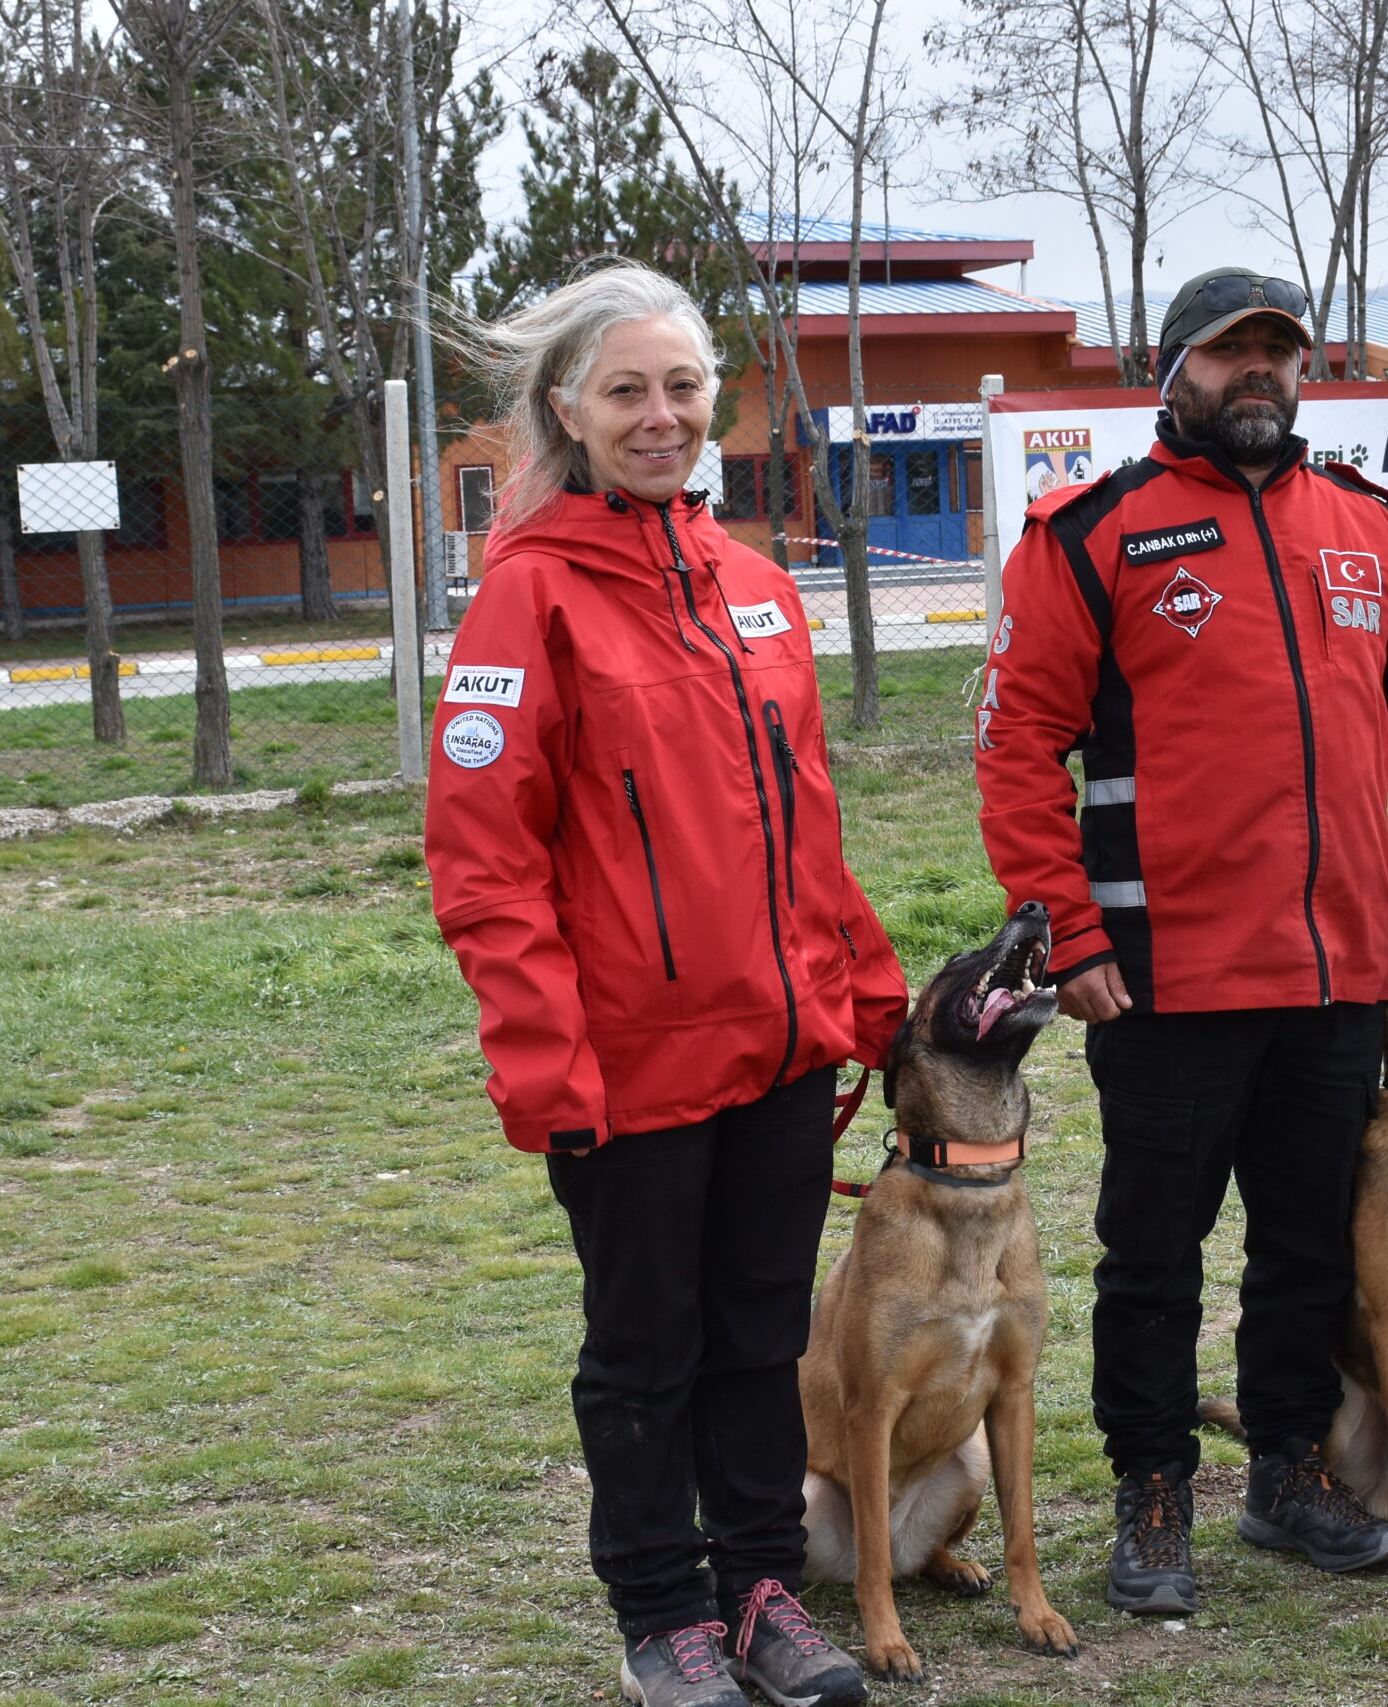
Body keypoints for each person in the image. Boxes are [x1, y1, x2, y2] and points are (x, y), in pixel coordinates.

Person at [973, 267, 1388, 1616]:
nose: (1257, 371)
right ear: (1173, 372)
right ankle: (1154, 1488)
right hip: (1161, 975)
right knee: (1154, 1252)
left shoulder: (1373, 531)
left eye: (1279, 350)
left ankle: (1286, 1470)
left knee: (1312, 1246)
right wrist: (1068, 934)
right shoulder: (1091, 535)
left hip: (1338, 970)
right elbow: (1018, 746)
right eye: (1230, 353)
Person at [427, 262, 906, 1707]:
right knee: (648, 1350)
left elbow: (805, 829)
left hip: (781, 1053)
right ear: (565, 409)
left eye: (684, 388)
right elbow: (485, 866)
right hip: (625, 1070)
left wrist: (866, 998)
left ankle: (760, 1591)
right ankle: (660, 1617)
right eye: (626, 391)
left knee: (762, 1336)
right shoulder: (527, 601)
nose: (661, 416)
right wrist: (544, 1063)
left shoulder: (757, 590)